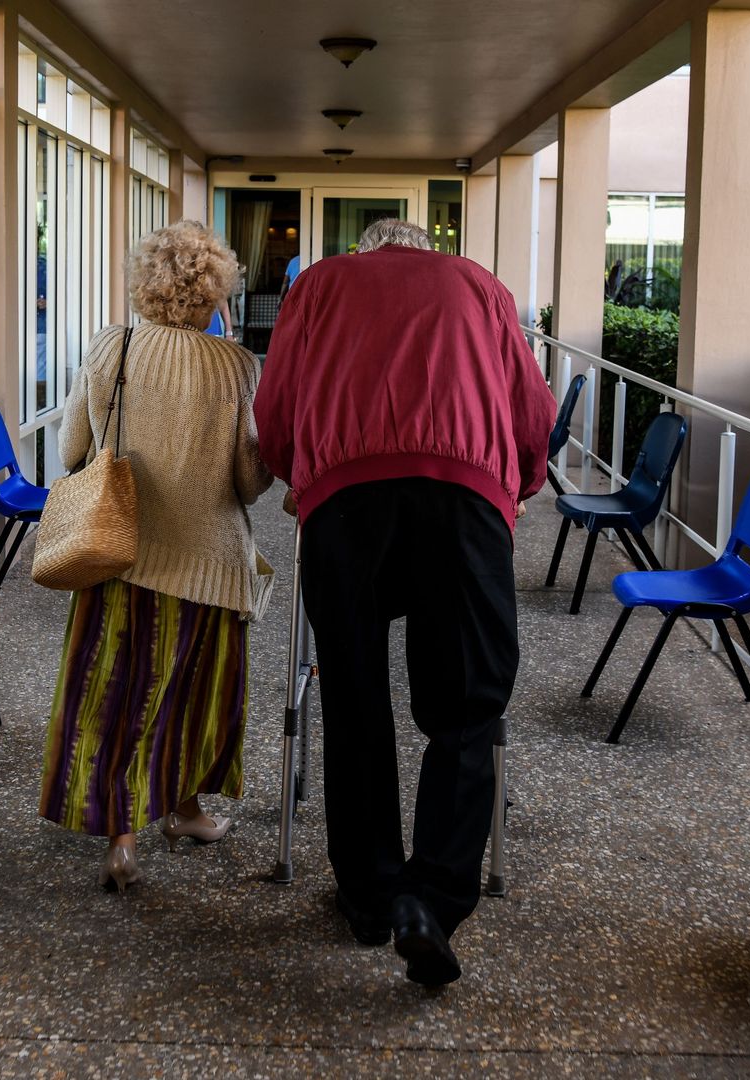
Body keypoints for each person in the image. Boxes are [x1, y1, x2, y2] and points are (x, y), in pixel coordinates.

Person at [254, 218, 554, 985]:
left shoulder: (318, 284)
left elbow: (277, 406)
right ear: (428, 250)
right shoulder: (480, 285)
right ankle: (434, 897)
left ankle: (369, 895)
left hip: (346, 503)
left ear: (369, 251)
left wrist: (303, 477)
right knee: (467, 705)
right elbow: (531, 416)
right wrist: (512, 487)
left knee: (354, 696)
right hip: (462, 499)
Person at [39, 221, 274, 893]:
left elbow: (69, 451)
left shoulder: (111, 347)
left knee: (115, 693)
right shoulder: (235, 365)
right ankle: (186, 810)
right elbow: (248, 482)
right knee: (195, 698)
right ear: (214, 292)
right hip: (207, 565)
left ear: (145, 284)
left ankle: (120, 839)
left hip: (118, 554)